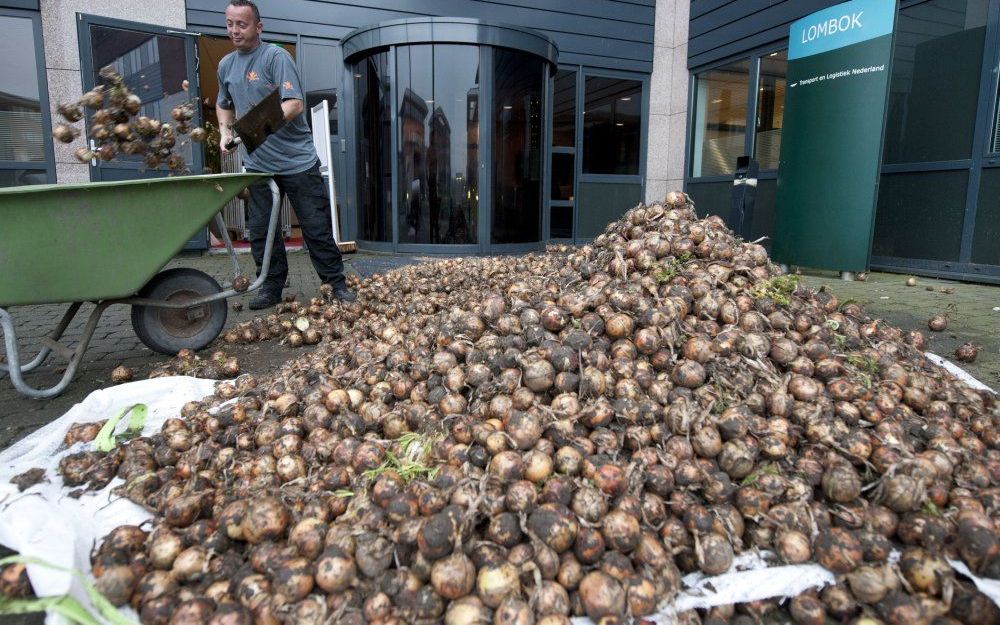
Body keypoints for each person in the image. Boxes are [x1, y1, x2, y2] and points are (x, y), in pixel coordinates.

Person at [216, 0, 355, 309]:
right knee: (262, 231)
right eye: (230, 24)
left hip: (297, 161)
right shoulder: (225, 65)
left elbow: (293, 105)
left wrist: (246, 133)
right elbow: (223, 103)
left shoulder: (275, 57)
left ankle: (335, 283)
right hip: (258, 166)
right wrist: (225, 131)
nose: (234, 30)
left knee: (315, 226)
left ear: (258, 27)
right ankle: (270, 287)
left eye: (242, 24)